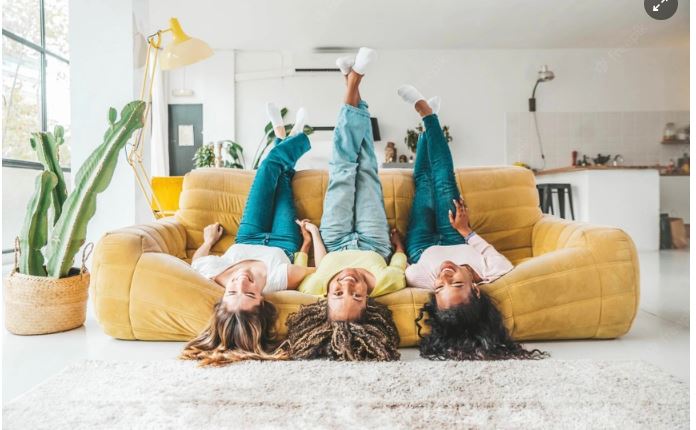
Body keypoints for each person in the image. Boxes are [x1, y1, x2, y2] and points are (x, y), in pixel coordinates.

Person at [396, 85, 547, 360]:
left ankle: (427, 127)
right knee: (442, 178)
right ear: (476, 290)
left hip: (420, 244)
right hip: (455, 232)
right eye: (456, 284)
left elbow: (405, 266)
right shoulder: (495, 271)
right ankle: (427, 113)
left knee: (423, 182)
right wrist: (465, 230)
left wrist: (398, 245)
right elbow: (486, 250)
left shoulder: (420, 279)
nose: (444, 278)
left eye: (439, 288)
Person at [285, 48, 402, 361]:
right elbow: (400, 261)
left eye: (338, 293)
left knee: (342, 170)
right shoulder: (389, 283)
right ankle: (351, 83)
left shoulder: (313, 288)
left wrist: (311, 236)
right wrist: (398, 244)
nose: (348, 285)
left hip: (334, 240)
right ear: (369, 302)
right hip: (375, 242)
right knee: (366, 167)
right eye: (356, 295)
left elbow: (317, 265)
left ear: (326, 297)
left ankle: (353, 81)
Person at [180, 105, 315, 366]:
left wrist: (208, 241)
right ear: (262, 301)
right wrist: (308, 242)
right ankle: (287, 135)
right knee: (283, 179)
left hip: (249, 234)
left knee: (269, 167)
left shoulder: (213, 274)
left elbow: (197, 262)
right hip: (284, 240)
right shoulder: (276, 282)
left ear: (221, 299)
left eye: (232, 293)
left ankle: (293, 135)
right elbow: (317, 272)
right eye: (250, 294)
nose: (242, 283)